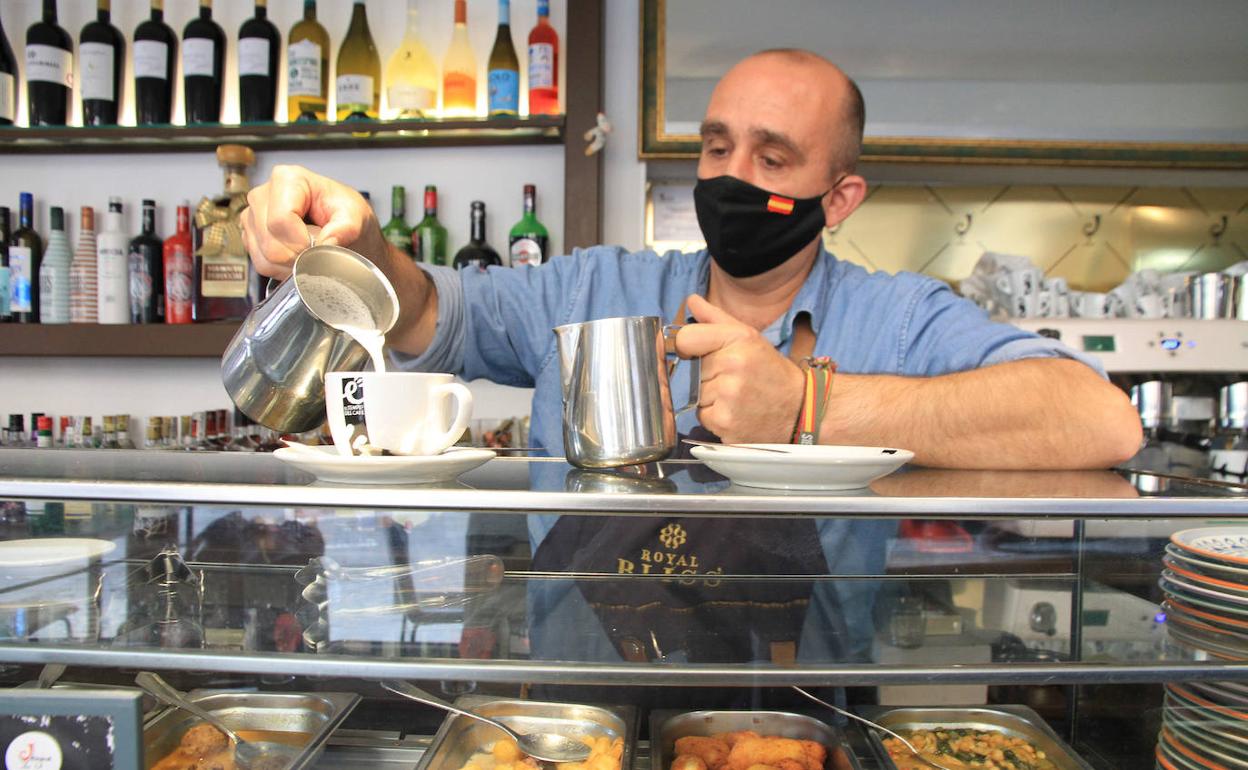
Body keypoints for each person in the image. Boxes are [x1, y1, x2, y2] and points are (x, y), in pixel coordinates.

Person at [242, 49, 1142, 468]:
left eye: (774, 158)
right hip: (580, 708)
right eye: (716, 148)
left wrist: (807, 403)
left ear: (840, 199)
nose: (732, 177)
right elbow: (435, 314)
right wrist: (362, 247)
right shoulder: (596, 287)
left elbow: (1102, 422)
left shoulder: (901, 318)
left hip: (802, 717)